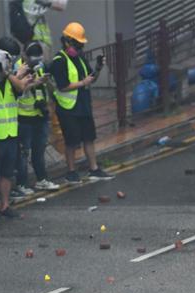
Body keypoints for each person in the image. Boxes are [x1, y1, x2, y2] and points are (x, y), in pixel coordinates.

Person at [50, 22, 113, 184]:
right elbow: (63, 86)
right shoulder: (59, 61)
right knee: (71, 141)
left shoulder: (80, 58)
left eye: (80, 46)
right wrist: (83, 83)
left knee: (89, 138)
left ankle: (94, 169)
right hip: (68, 108)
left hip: (83, 105)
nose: (78, 49)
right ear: (66, 42)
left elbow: (90, 79)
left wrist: (98, 68)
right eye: (76, 45)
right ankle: (71, 172)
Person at [0, 38, 34, 219]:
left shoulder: (11, 79)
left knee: (7, 172)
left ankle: (5, 205)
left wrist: (8, 73)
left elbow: (21, 87)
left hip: (9, 133)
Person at [14, 41, 59, 196]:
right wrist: (34, 83)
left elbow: (48, 88)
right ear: (24, 55)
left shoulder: (39, 66)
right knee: (23, 153)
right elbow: (15, 90)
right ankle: (21, 183)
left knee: (39, 150)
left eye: (38, 59)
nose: (36, 62)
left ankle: (42, 179)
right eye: (33, 59)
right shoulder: (17, 69)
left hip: (40, 115)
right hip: (24, 118)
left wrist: (46, 82)